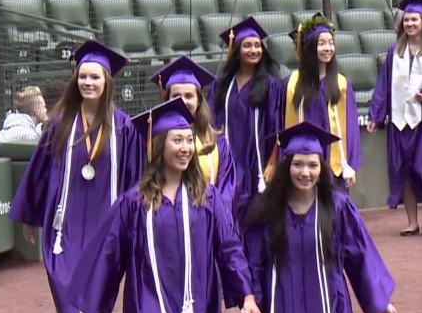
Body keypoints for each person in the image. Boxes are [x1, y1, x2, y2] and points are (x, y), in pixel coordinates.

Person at [69, 97, 266, 313]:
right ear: (159, 144)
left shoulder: (206, 198)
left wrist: (247, 296)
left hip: (199, 312)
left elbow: (229, 248)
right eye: (177, 140)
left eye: (189, 140)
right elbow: (108, 257)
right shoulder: (133, 203)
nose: (185, 148)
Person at [8, 40, 144, 313]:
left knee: (98, 298)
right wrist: (30, 217)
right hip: (64, 230)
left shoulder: (123, 127)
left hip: (105, 228)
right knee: (66, 291)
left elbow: (135, 179)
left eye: (95, 77)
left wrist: (137, 224)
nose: (88, 82)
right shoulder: (61, 122)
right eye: (83, 76)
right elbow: (39, 172)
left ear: (107, 82)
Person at [244, 121, 398, 313]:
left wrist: (381, 302)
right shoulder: (268, 210)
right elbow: (255, 263)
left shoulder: (338, 207)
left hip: (328, 309)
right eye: (298, 164)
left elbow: (360, 255)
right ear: (286, 166)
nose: (305, 172)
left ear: (321, 168)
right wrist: (252, 301)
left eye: (312, 165)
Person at [367, 0, 422, 236]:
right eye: (407, 20)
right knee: (403, 169)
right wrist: (375, 115)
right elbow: (383, 85)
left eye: (414, 19)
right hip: (398, 120)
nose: (410, 24)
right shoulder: (394, 51)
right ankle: (412, 221)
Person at [208, 16, 283, 232]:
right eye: (248, 45)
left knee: (256, 225)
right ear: (237, 50)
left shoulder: (270, 86)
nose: (254, 50)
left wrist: (272, 162)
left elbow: (275, 126)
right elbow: (212, 119)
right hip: (228, 162)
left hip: (256, 165)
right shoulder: (222, 85)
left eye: (258, 45)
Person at [282, 13, 360, 192]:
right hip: (303, 164)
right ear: (309, 48)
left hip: (335, 166)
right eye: (322, 43)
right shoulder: (291, 84)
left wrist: (350, 164)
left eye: (331, 43)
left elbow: (351, 128)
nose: (328, 48)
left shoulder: (341, 84)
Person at [150, 55, 236, 214]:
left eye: (189, 96)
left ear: (199, 100)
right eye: (176, 96)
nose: (183, 101)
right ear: (167, 99)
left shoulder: (217, 143)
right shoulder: (153, 141)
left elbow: (226, 190)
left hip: (208, 220)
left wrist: (213, 220)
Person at [0, 85, 47, 161]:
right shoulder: (26, 134)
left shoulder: (18, 125)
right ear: (37, 109)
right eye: (44, 107)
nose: (46, 110)